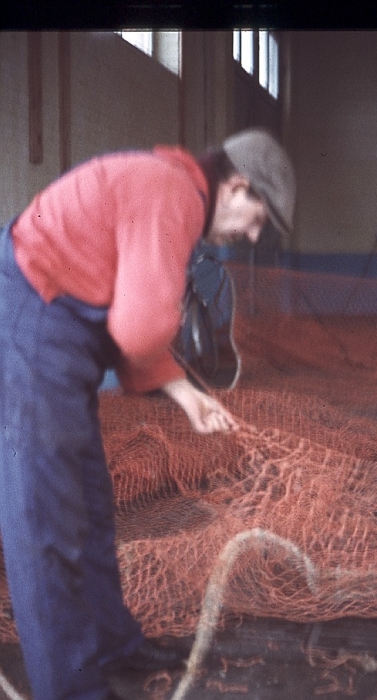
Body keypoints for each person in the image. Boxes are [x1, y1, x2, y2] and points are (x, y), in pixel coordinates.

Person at [0, 128, 295, 700]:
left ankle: (113, 643)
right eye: (257, 218)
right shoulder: (172, 195)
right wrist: (166, 319)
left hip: (64, 327)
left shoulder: (171, 190)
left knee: (87, 502)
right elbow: (137, 329)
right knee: (46, 519)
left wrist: (188, 396)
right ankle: (72, 688)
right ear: (235, 186)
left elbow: (132, 325)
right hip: (34, 315)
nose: (249, 236)